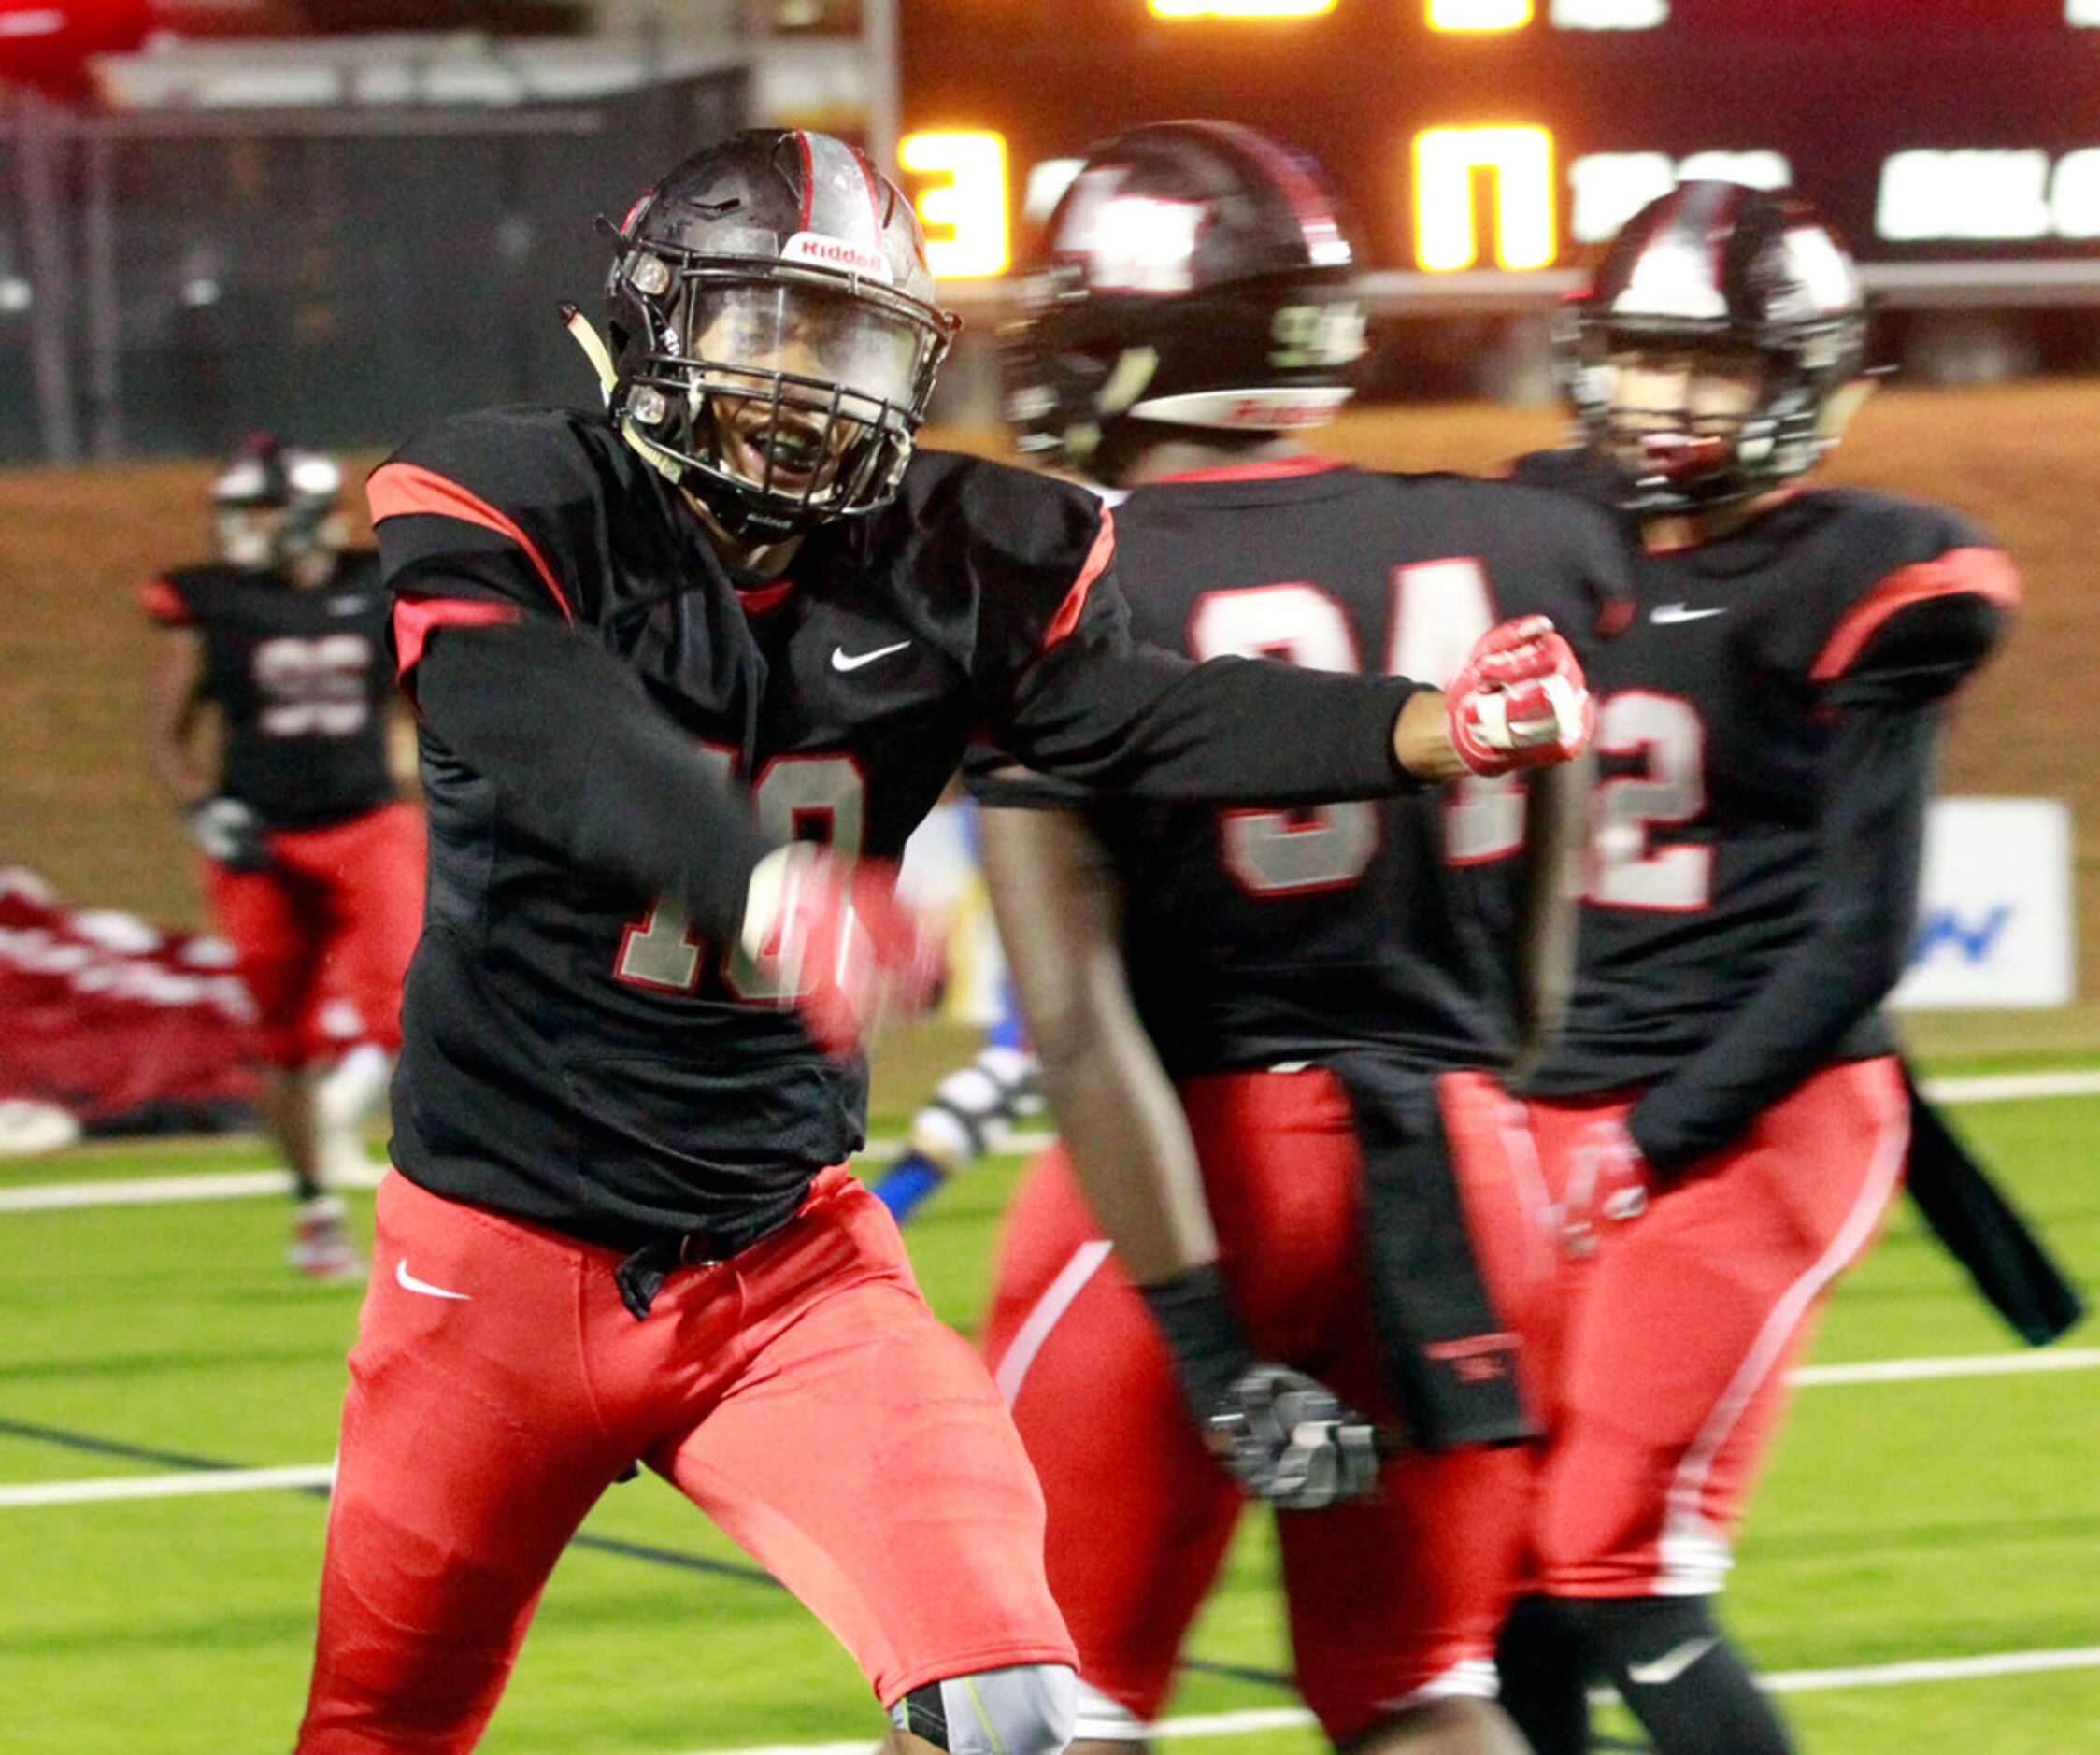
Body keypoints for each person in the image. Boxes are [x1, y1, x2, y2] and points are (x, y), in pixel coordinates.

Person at [293, 127, 1593, 1755]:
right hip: (481, 1266)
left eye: (852, 341)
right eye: (773, 327)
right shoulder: (516, 494)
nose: (814, 385)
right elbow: (514, 701)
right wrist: (753, 877)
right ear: (648, 321)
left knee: (1016, 1707)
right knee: (378, 1724)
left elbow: (1141, 714)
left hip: (781, 1267)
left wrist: (1422, 727)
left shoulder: (967, 548)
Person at [970, 121, 1632, 1755]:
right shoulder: (1526, 540)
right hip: (1463, 1154)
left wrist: (1203, 1330)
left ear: (1136, 337)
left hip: (1185, 1163)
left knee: (1021, 1704)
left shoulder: (1057, 566)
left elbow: (1069, 1017)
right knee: (1422, 1693)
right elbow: (1546, 952)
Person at [1489, 181, 2021, 1755]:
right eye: (1647, 355)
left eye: (1714, 365)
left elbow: (1856, 936)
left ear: (1814, 384)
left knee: (1614, 1555)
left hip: (1757, 1110)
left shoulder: (1874, 571)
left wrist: (1650, 1142)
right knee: (1498, 1564)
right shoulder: (1526, 528)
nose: (1669, 399)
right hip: (1543, 1098)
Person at [143, 433, 425, 1279]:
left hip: (365, 823)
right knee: (280, 1034)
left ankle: (446, 1204)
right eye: (240, 512)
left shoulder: (373, 582)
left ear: (310, 516)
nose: (245, 528)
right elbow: (166, 735)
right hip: (258, 835)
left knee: (418, 1007)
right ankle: (313, 1209)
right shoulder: (213, 602)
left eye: (261, 511)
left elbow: (428, 686)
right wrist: (201, 808)